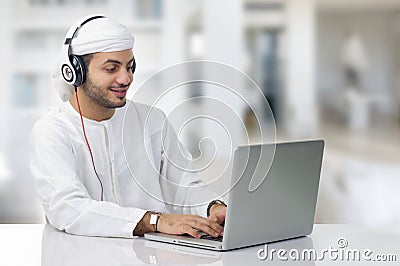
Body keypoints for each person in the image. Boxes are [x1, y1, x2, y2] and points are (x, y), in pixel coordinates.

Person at [29, 15, 226, 239]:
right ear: (76, 72)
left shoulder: (152, 120)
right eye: (112, 69)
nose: (126, 78)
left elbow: (184, 187)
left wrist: (213, 207)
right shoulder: (52, 130)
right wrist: (154, 221)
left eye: (129, 67)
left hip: (152, 257)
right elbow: (67, 209)